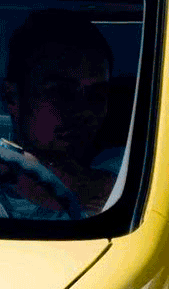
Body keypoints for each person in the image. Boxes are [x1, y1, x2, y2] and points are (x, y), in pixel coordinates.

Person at [0, 9, 115, 220]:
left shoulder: (135, 173)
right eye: (61, 92)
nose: (84, 111)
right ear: (12, 97)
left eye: (97, 95)